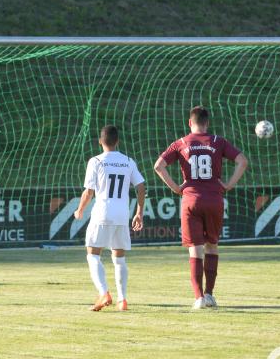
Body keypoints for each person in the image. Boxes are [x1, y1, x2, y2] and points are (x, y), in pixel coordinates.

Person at [154, 106, 248, 310]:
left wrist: (177, 188)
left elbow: (158, 165)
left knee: (195, 249)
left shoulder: (180, 143)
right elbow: (242, 161)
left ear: (190, 123)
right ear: (207, 123)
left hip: (191, 200)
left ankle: (198, 298)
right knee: (212, 246)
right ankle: (210, 295)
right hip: (214, 199)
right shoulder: (218, 141)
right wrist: (229, 184)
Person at [74, 125, 146, 311]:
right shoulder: (128, 161)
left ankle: (103, 292)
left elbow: (89, 191)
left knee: (92, 254)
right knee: (119, 258)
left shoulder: (96, 161)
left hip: (102, 214)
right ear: (117, 141)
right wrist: (139, 212)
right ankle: (122, 300)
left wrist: (80, 209)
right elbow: (141, 186)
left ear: (100, 141)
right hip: (122, 215)